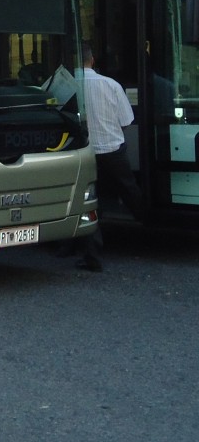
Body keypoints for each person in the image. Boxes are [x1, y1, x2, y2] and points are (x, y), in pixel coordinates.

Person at [64, 42, 144, 271]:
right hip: (112, 150)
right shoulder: (111, 85)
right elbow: (126, 120)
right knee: (129, 190)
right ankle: (150, 227)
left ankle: (89, 253)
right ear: (92, 60)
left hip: (83, 154)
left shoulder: (67, 87)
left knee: (87, 201)